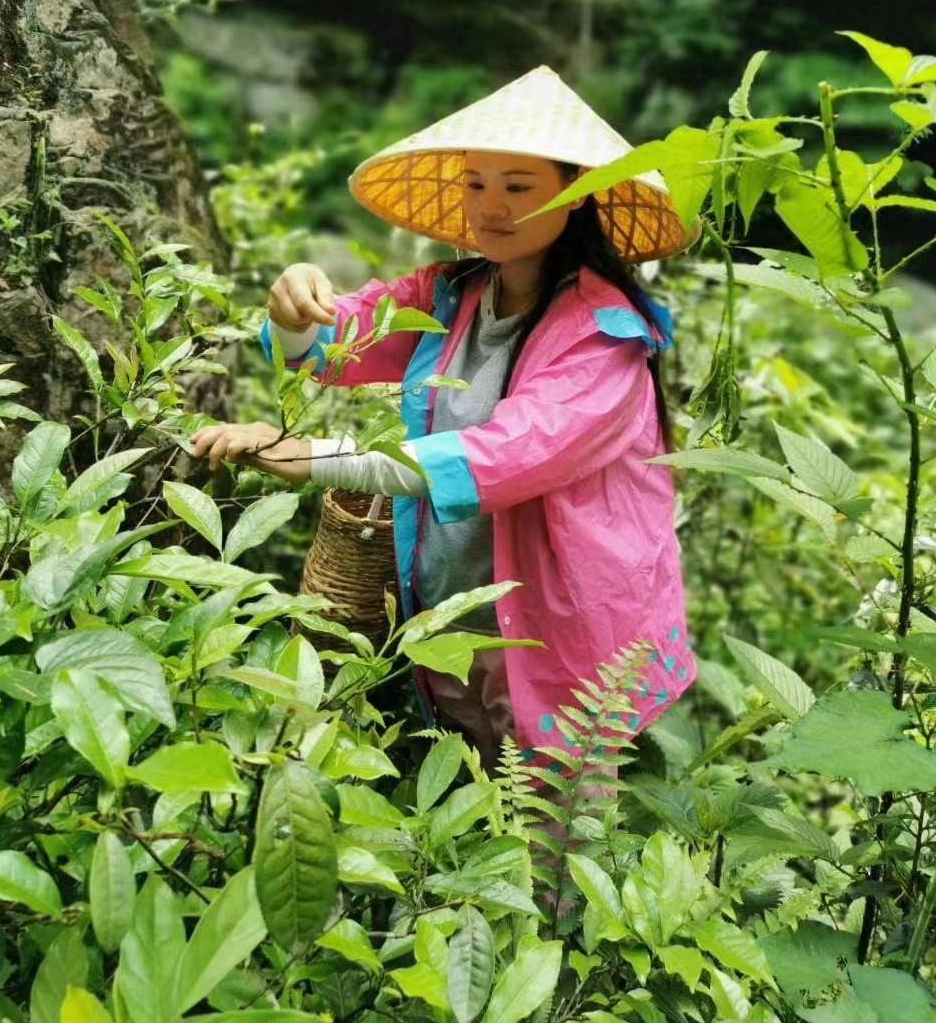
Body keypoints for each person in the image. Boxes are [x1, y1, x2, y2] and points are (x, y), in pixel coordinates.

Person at [192, 65, 700, 780]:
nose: (490, 207)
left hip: (559, 625)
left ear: (576, 197)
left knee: (556, 838)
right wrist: (291, 305)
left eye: (518, 187)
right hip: (449, 607)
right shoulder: (451, 291)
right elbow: (331, 346)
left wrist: (310, 456)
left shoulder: (604, 336)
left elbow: (497, 457)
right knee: (465, 804)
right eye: (476, 184)